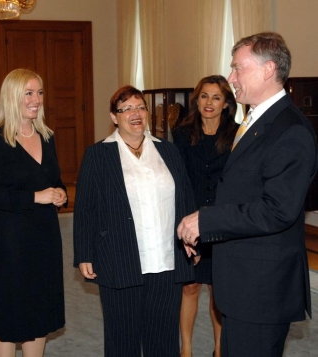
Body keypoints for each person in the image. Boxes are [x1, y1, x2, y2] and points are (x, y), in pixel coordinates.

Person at [178, 32, 317, 356]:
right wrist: (206, 237)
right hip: (243, 283)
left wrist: (207, 221)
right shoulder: (257, 120)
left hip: (262, 289)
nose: (231, 78)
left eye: (238, 69)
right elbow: (240, 192)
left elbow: (278, 209)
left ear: (268, 69)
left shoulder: (290, 129)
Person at [73, 85, 197, 357]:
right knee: (122, 340)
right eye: (126, 108)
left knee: (164, 339)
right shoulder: (98, 154)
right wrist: (84, 252)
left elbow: (185, 198)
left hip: (166, 260)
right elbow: (85, 208)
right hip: (120, 258)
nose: (135, 113)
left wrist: (193, 241)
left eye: (140, 107)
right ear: (114, 117)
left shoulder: (167, 151)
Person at [0, 68, 66, 357]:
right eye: (28, 93)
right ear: (13, 97)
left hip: (45, 237)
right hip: (11, 241)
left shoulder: (48, 136)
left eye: (39, 92)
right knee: (10, 316)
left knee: (39, 312)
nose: (36, 99)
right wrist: (36, 197)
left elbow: (54, 179)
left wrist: (61, 193)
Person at [172, 75, 238, 357]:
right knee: (190, 287)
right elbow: (176, 182)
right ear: (196, 100)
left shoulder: (238, 135)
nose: (209, 103)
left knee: (217, 291)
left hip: (221, 223)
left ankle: (219, 350)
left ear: (226, 104)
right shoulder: (181, 135)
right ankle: (185, 349)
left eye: (216, 97)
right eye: (204, 96)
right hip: (190, 222)